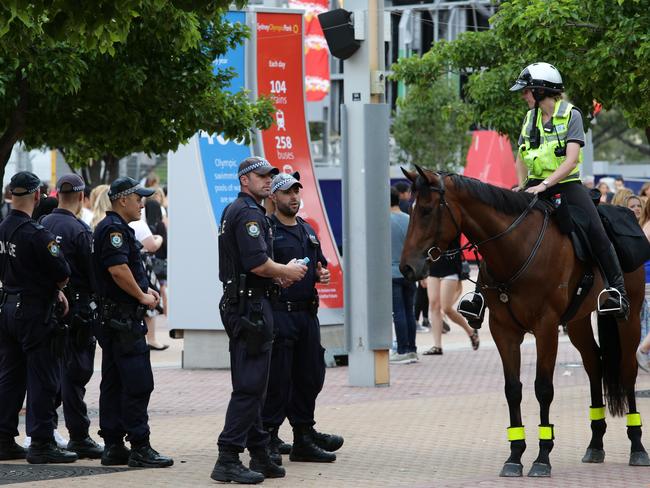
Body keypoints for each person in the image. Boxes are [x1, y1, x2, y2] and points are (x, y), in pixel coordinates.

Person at [458, 62, 630, 326]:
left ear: (540, 91)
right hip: (534, 185)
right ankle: (479, 298)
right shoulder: (530, 118)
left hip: (566, 184)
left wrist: (545, 184)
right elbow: (521, 157)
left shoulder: (572, 114)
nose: (523, 96)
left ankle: (617, 291)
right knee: (499, 232)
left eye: (526, 91)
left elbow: (571, 160)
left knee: (597, 229)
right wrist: (520, 185)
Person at [212, 156, 307, 484]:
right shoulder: (250, 213)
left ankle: (259, 451)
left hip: (247, 302)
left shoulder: (236, 210)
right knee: (251, 386)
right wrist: (285, 271)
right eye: (261, 176)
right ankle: (228, 456)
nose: (268, 181)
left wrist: (276, 277)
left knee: (254, 384)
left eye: (270, 176)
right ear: (244, 181)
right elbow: (256, 263)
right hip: (250, 307)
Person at [262, 172, 343, 466]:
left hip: (307, 315)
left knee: (310, 376)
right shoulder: (267, 230)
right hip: (280, 313)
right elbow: (260, 269)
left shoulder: (307, 230)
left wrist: (320, 274)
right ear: (274, 196)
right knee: (278, 380)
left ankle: (304, 437)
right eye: (287, 193)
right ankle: (268, 438)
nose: (294, 197)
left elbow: (319, 265)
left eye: (297, 192)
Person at [92, 176, 173, 468]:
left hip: (115, 319)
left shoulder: (114, 228)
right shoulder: (113, 230)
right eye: (138, 198)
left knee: (113, 383)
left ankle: (113, 445)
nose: (142, 203)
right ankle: (140, 446)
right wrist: (141, 295)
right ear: (122, 200)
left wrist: (143, 290)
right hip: (123, 322)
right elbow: (117, 269)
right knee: (138, 383)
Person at [0, 171, 76, 464]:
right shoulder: (36, 233)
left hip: (7, 307)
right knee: (43, 376)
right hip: (33, 311)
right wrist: (55, 290)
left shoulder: (3, 228)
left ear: (10, 195)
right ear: (36, 196)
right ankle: (42, 442)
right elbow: (62, 272)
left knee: (10, 376)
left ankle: (4, 438)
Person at [40, 174, 103, 459]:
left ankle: (46, 429)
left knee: (51, 372)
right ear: (80, 197)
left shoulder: (43, 224)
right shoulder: (79, 229)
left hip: (49, 308)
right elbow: (92, 275)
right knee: (75, 374)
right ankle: (79, 435)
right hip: (77, 310)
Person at [423, 236, 479, 355]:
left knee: (446, 308)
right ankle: (437, 346)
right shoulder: (430, 222)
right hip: (433, 267)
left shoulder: (451, 220)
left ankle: (471, 332)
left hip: (450, 267)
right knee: (433, 306)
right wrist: (423, 273)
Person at [389, 187, 419, 364]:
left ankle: (401, 350)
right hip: (409, 271)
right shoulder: (409, 220)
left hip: (391, 273)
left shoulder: (382, 222)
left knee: (398, 312)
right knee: (409, 311)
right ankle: (412, 349)